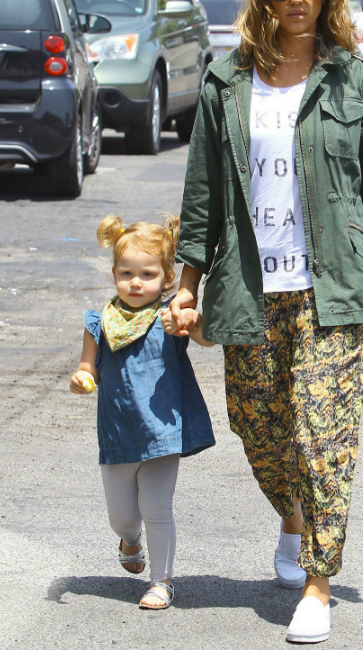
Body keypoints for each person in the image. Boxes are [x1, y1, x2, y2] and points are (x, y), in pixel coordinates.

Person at [167, 0, 363, 643]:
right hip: (248, 286)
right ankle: (295, 514)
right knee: (261, 430)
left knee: (321, 435)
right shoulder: (224, 82)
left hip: (331, 289)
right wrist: (185, 285)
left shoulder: (353, 80)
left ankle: (317, 581)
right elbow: (203, 194)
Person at [70, 215, 215, 610]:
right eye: (126, 273)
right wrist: (82, 377)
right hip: (118, 431)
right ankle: (129, 539)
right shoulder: (99, 323)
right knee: (122, 515)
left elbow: (205, 338)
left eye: (147, 274)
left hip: (163, 429)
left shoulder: (168, 317)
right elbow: (88, 365)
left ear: (167, 278)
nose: (136, 282)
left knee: (156, 507)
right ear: (114, 273)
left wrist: (191, 320)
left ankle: (162, 582)